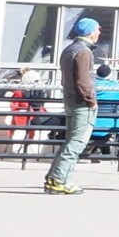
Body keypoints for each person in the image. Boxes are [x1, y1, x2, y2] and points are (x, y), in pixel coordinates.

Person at [41, 16, 102, 194]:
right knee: (76, 143)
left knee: (70, 141)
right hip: (82, 103)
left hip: (70, 100)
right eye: (98, 29)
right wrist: (92, 101)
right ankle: (60, 181)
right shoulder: (84, 52)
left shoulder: (69, 49)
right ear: (90, 32)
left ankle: (53, 179)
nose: (99, 32)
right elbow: (83, 81)